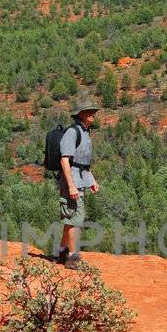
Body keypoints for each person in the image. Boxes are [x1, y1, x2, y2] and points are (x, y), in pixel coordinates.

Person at [57, 101, 100, 266]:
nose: (92, 114)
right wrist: (71, 185)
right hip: (72, 182)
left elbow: (82, 163)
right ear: (80, 114)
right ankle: (73, 258)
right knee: (76, 219)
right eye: (88, 112)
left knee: (71, 218)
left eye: (92, 111)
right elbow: (64, 161)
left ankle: (62, 253)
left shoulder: (85, 132)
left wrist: (92, 180)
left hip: (79, 180)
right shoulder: (72, 132)